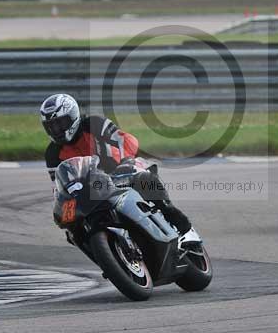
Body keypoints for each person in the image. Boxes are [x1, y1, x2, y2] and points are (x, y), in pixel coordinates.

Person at [40, 93, 192, 234]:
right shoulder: (52, 153)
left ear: (73, 116)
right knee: (69, 225)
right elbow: (59, 185)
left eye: (60, 123)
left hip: (118, 173)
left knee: (143, 176)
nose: (56, 129)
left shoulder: (94, 124)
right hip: (91, 191)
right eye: (51, 126)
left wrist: (125, 160)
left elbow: (126, 140)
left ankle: (168, 209)